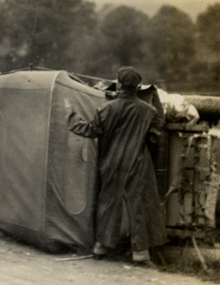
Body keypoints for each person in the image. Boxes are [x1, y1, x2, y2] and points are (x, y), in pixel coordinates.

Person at [68, 66, 167, 265]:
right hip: (138, 162)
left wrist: (71, 116)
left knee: (108, 204)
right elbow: (155, 139)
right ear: (137, 87)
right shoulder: (149, 111)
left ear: (119, 84)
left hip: (111, 162)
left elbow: (90, 130)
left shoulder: (107, 108)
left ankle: (101, 247)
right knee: (138, 206)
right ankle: (141, 253)